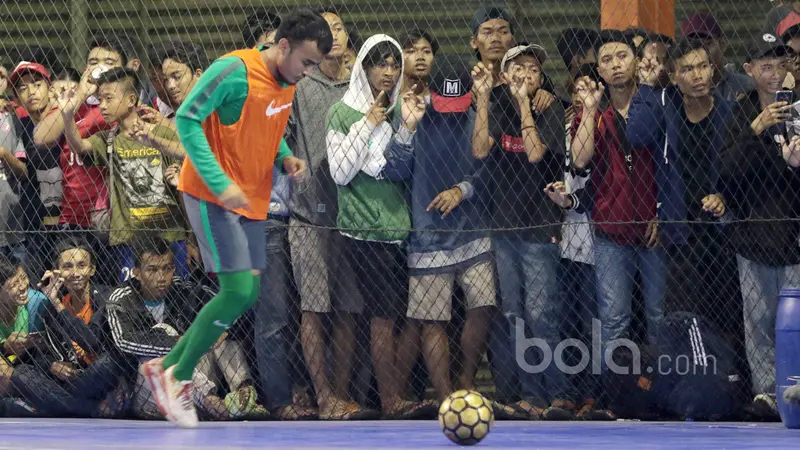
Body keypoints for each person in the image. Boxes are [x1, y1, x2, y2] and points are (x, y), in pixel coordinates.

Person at [139, 8, 329, 428]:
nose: (310, 71)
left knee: (246, 293)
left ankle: (163, 368)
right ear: (283, 46)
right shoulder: (233, 70)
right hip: (210, 194)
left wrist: (285, 158)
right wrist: (218, 180)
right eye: (307, 62)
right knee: (238, 288)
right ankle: (178, 378)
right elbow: (187, 119)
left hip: (251, 200)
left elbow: (270, 127)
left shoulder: (289, 80)